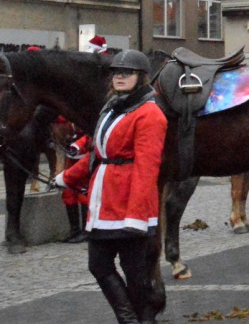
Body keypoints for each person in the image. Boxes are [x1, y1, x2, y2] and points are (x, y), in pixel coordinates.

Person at [54, 49, 167, 324]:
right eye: (116, 72)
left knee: (135, 272)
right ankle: (131, 319)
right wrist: (66, 178)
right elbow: (98, 154)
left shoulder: (150, 114)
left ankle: (140, 319)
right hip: (103, 202)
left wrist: (136, 215)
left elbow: (147, 168)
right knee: (99, 265)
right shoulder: (110, 108)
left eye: (127, 73)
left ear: (141, 77)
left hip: (130, 204)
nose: (120, 77)